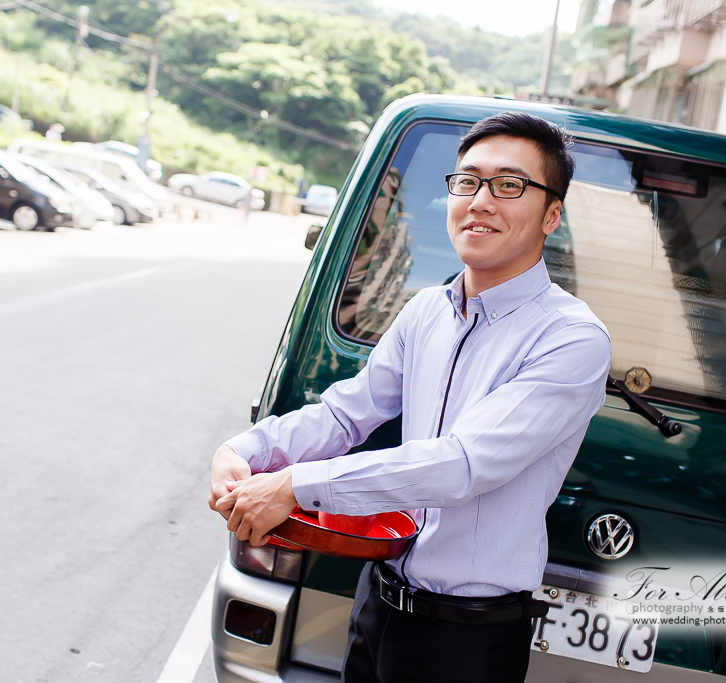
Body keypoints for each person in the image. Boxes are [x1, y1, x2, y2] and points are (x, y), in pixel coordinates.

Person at [209, 112, 611, 682]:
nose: (481, 200)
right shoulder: (427, 311)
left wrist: (297, 484)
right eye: (467, 181)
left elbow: (463, 465)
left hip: (467, 638)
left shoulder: (572, 338)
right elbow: (346, 412)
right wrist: (249, 449)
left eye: (509, 184)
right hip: (380, 602)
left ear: (551, 214)